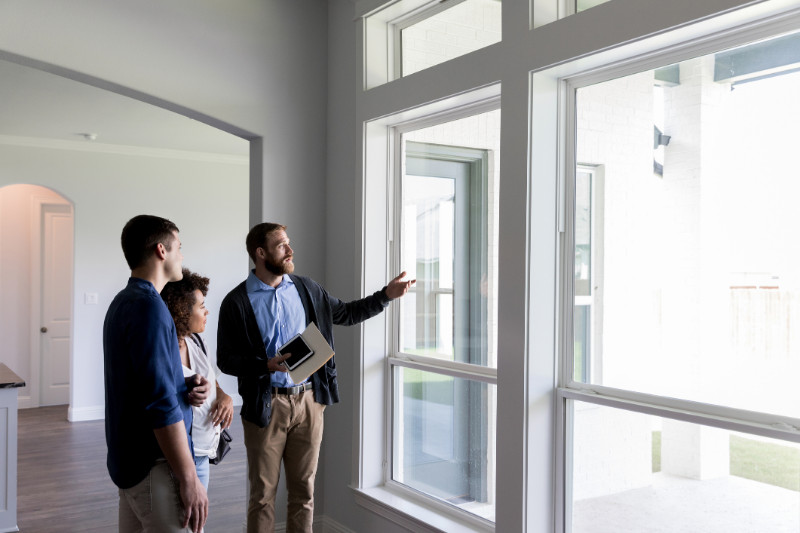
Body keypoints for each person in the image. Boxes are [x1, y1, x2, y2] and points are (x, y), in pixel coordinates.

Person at [217, 222, 414, 533]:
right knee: (262, 497)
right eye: (281, 245)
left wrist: (385, 295)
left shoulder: (307, 289)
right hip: (267, 407)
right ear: (260, 253)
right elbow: (226, 360)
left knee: (304, 493)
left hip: (310, 403)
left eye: (288, 243)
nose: (290, 250)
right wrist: (265, 365)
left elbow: (347, 313)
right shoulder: (236, 301)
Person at [103, 214, 209, 533]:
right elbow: (160, 404)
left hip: (130, 465)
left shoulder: (124, 301)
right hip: (155, 467)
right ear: (162, 250)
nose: (182, 255)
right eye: (179, 247)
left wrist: (185, 382)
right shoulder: (149, 307)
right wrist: (189, 477)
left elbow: (140, 380)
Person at [162, 268, 235, 490]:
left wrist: (224, 397)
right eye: (201, 307)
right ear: (182, 311)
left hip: (204, 455)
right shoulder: (164, 352)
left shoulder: (197, 342)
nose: (207, 312)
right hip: (180, 460)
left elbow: (212, 381)